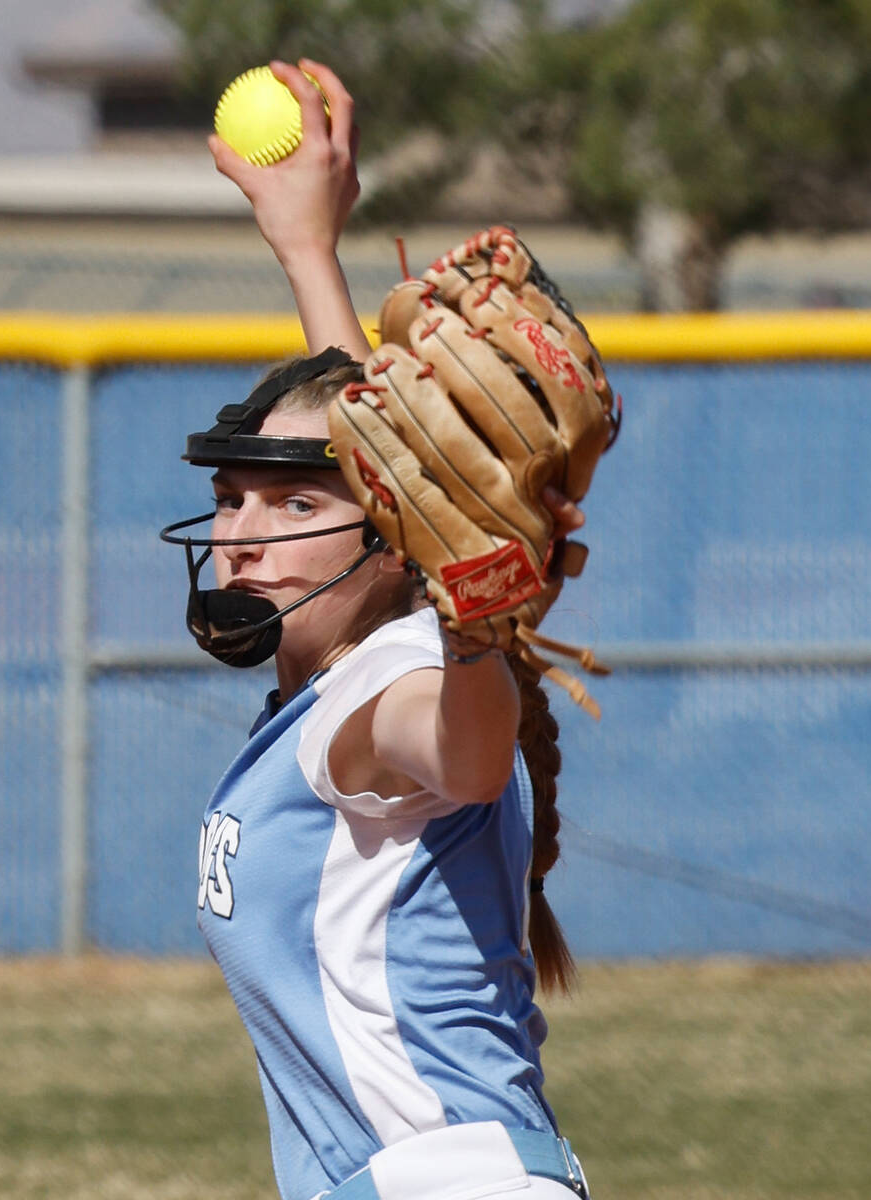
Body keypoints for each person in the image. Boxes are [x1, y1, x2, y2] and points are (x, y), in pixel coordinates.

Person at [166, 59, 593, 1200]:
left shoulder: (381, 698)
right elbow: (371, 451)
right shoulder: (344, 668)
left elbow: (457, 747)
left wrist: (476, 632)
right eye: (234, 494)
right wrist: (308, 244)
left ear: (394, 537)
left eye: (296, 505)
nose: (244, 530)